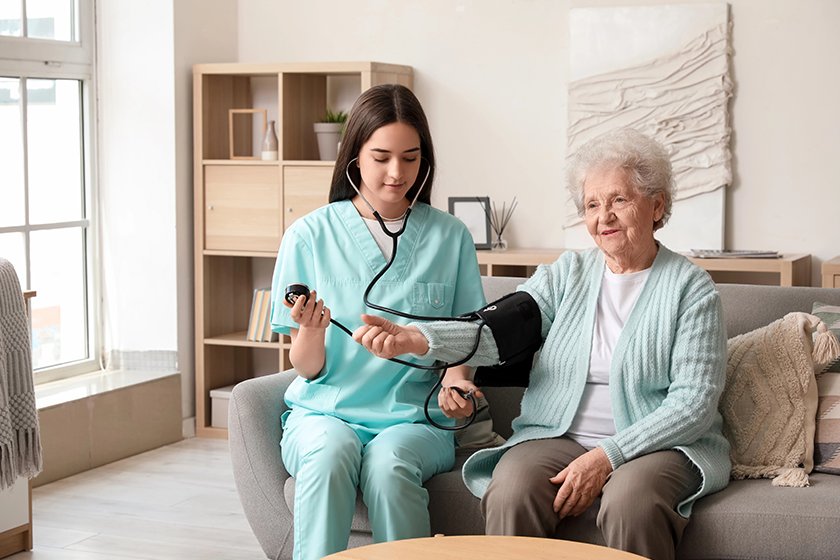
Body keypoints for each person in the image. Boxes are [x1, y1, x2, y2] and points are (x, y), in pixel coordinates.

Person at [353, 128, 731, 560]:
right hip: (559, 434)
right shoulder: (568, 273)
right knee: (511, 491)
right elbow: (500, 329)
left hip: (656, 444)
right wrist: (419, 338)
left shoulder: (691, 289)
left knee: (633, 504)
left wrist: (608, 456)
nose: (603, 216)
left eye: (619, 200)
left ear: (657, 204)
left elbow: (693, 405)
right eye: (592, 204)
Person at [269, 83, 487, 560]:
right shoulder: (307, 235)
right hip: (324, 413)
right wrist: (311, 329)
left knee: (390, 466)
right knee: (327, 455)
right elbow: (305, 369)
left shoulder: (450, 237)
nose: (396, 173)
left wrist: (458, 386)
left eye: (410, 158)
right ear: (355, 156)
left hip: (414, 418)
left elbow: (466, 339)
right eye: (382, 156)